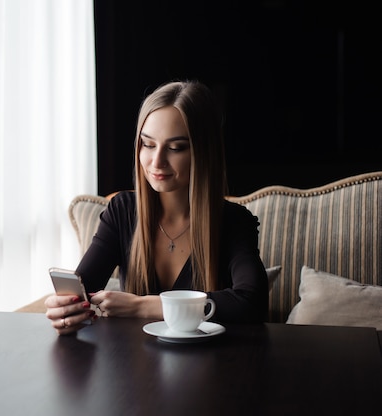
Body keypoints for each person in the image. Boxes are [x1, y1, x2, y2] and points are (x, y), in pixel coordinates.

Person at [45, 80, 269, 335]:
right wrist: (65, 310)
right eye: (148, 144)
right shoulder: (122, 211)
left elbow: (253, 304)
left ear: (203, 153)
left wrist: (143, 306)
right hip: (134, 366)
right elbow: (81, 294)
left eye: (175, 148)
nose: (157, 161)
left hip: (212, 365)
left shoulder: (233, 222)